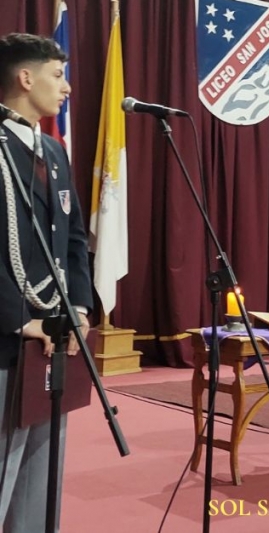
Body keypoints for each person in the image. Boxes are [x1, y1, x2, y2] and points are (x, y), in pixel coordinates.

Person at [0, 33, 93, 531]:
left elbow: (74, 238)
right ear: (25, 77)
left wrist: (77, 307)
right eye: (58, 75)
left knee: (41, 472)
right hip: (8, 337)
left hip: (53, 335)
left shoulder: (53, 152)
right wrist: (21, 319)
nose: (67, 87)